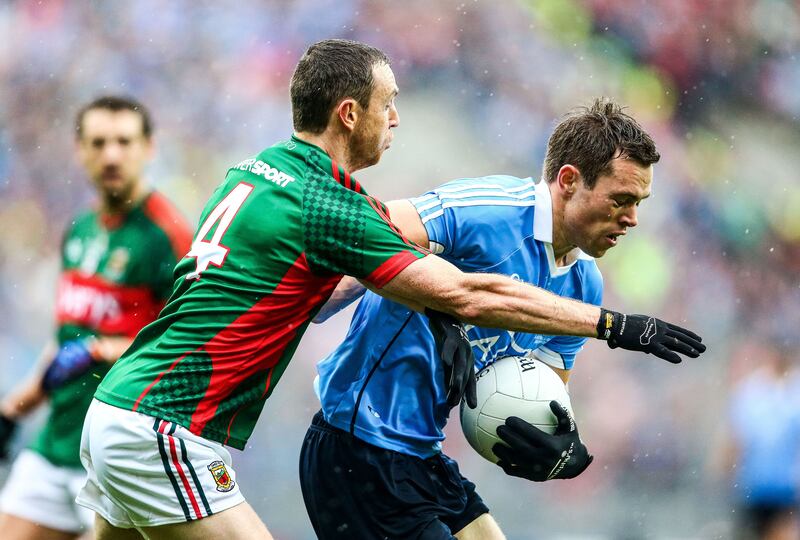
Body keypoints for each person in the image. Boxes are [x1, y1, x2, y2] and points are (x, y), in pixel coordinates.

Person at [76, 40, 704, 540]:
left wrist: (554, 440)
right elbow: (461, 295)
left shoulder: (260, 169)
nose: (396, 118)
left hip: (127, 408)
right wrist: (614, 325)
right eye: (388, 103)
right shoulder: (330, 205)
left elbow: (311, 290)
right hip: (172, 423)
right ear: (350, 113)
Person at [299, 98, 696, 539]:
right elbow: (367, 228)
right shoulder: (490, 210)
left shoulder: (585, 286)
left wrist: (560, 447)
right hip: (356, 446)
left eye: (640, 202)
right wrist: (425, 296)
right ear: (569, 180)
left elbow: (538, 387)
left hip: (423, 457)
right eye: (621, 199)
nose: (633, 219)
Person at [0, 96, 193, 540]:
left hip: (118, 451)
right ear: (79, 149)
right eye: (99, 142)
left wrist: (103, 350)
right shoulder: (80, 229)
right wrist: (15, 406)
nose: (111, 155)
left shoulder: (169, 237)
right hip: (56, 443)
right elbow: (67, 338)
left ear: (149, 147)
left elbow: (187, 348)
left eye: (124, 141)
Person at [721, 343, 800, 540]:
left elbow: (736, 441)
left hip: (782, 486)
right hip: (758, 484)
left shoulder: (755, 392)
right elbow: (737, 440)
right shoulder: (751, 391)